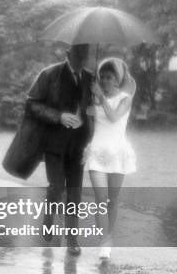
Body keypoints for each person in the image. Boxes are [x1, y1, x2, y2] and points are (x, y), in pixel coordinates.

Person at [26, 44, 93, 255]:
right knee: (56, 187)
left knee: (75, 193)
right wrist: (59, 116)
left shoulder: (90, 79)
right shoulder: (49, 75)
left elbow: (93, 110)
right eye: (77, 56)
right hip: (54, 144)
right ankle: (48, 216)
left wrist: (89, 129)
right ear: (68, 55)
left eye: (84, 56)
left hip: (78, 146)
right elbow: (32, 103)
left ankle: (72, 238)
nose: (81, 60)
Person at [84, 57, 136, 260]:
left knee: (112, 200)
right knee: (100, 200)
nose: (104, 80)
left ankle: (109, 236)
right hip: (97, 153)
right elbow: (85, 115)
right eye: (102, 77)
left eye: (109, 77)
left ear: (117, 80)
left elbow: (114, 117)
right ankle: (103, 242)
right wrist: (92, 100)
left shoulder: (125, 98)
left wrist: (101, 98)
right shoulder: (95, 98)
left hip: (117, 153)